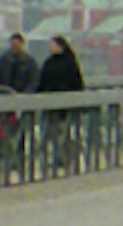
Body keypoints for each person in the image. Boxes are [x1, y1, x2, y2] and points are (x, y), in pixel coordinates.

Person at [34, 32, 86, 171]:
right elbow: (41, 82)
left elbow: (77, 84)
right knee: (47, 133)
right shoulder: (49, 62)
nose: (50, 47)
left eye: (52, 44)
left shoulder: (69, 63)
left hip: (64, 107)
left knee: (62, 133)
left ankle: (62, 158)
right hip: (49, 105)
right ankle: (48, 159)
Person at [0, 29, 38, 169]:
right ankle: (2, 158)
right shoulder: (2, 61)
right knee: (1, 130)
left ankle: (16, 159)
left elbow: (34, 81)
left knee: (18, 130)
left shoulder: (29, 62)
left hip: (20, 103)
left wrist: (26, 95)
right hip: (4, 102)